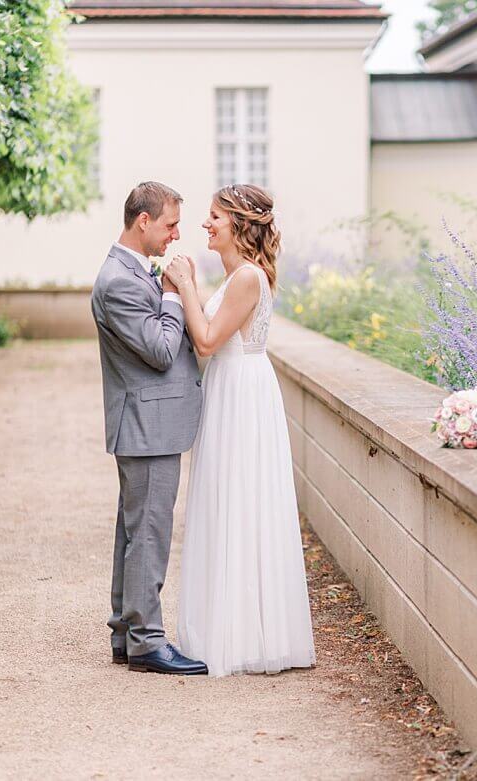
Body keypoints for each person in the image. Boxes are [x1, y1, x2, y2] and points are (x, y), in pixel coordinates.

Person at [166, 183, 316, 676]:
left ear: (239, 223)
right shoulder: (237, 277)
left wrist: (185, 284)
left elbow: (207, 341)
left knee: (241, 503)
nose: (205, 224)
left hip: (243, 395)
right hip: (232, 389)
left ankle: (242, 636)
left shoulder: (247, 277)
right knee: (228, 502)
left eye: (214, 216)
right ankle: (231, 626)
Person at [90, 181, 207, 675]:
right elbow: (160, 351)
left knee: (136, 530)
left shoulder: (130, 272)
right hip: (147, 423)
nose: (176, 235)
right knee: (150, 532)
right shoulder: (118, 280)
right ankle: (146, 641)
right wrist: (174, 295)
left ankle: (126, 630)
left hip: (148, 422)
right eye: (170, 224)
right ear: (144, 221)